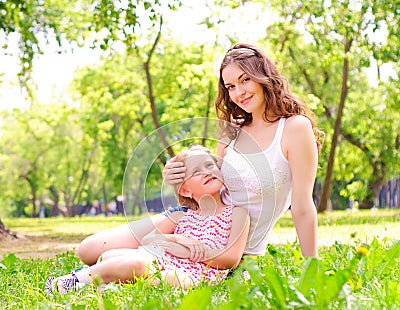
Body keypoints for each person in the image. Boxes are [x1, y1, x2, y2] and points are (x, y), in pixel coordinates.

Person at [76, 43, 322, 267]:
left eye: (245, 79)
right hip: (194, 223)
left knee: (127, 263)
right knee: (88, 251)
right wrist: (176, 176)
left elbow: (302, 206)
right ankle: (142, 254)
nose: (239, 93)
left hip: (231, 248)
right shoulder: (231, 131)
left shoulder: (294, 128)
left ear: (263, 76)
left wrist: (312, 268)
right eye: (231, 87)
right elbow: (210, 185)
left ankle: (142, 256)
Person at [45, 146, 250, 293]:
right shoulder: (183, 216)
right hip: (163, 260)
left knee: (144, 268)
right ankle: (101, 281)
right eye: (196, 172)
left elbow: (231, 260)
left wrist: (193, 249)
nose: (207, 172)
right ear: (185, 189)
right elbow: (150, 241)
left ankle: (73, 281)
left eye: (210, 165)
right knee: (111, 255)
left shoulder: (237, 213)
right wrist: (177, 241)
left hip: (194, 275)